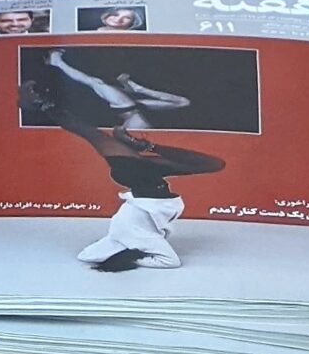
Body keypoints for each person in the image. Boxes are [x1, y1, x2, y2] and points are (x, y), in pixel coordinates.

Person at [26, 49, 226, 273]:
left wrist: (129, 256)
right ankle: (47, 103)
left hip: (140, 183)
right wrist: (133, 256)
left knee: (93, 133)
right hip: (143, 185)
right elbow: (170, 262)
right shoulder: (136, 239)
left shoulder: (129, 239)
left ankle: (46, 104)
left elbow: (87, 256)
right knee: (95, 133)